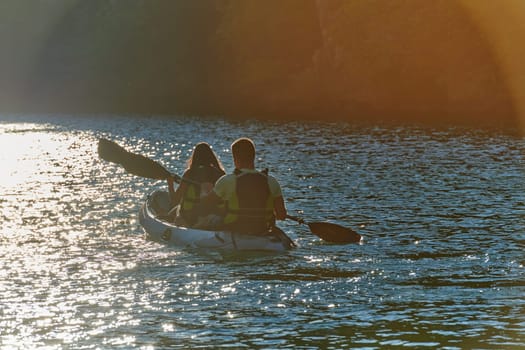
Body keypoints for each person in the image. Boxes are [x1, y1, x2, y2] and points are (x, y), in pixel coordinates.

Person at [198, 137, 287, 233]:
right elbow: (281, 216)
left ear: (235, 158)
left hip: (234, 228)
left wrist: (204, 192)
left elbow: (204, 207)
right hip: (262, 230)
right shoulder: (272, 181)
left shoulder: (227, 181)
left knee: (204, 218)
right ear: (253, 156)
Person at [166, 142, 225, 226]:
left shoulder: (190, 173)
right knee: (175, 210)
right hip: (215, 216)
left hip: (191, 218)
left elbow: (175, 200)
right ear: (211, 157)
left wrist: (170, 185)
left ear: (195, 157)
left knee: (175, 209)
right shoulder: (221, 174)